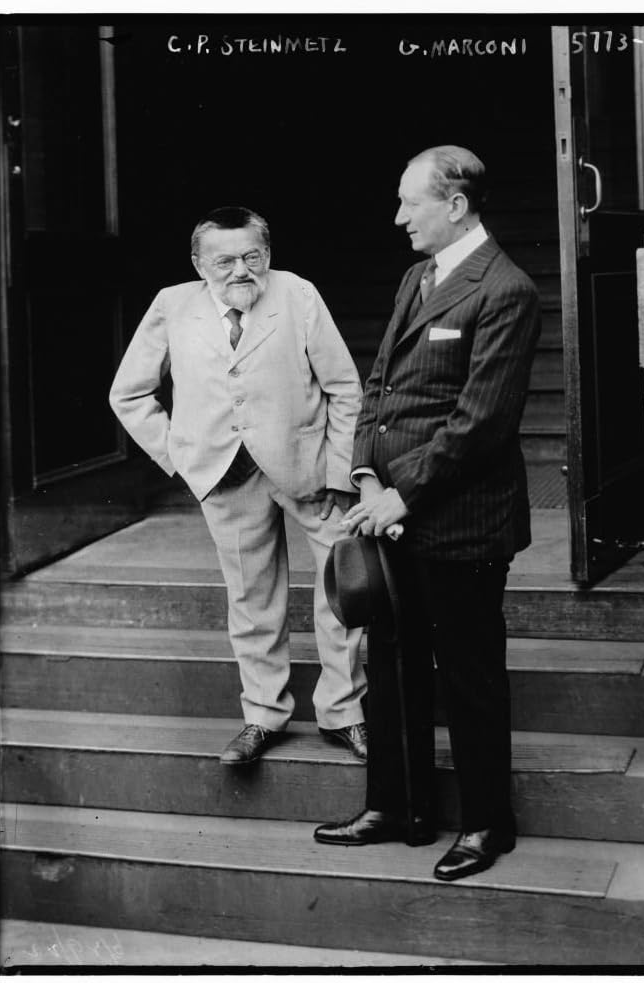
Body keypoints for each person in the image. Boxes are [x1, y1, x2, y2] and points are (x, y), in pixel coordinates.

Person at [313, 146, 541, 880]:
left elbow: (481, 423)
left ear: (455, 205)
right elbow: (378, 384)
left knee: (469, 676)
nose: (398, 218)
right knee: (391, 663)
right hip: (389, 510)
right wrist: (363, 474)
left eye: (410, 203)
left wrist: (399, 492)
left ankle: (486, 824)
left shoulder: (505, 289)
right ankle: (395, 806)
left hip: (460, 519)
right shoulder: (417, 278)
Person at [110, 206, 367, 765]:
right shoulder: (172, 305)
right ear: (198, 264)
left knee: (342, 590)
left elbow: (345, 388)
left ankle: (344, 712)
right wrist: (181, 456)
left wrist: (340, 471)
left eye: (252, 256)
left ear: (267, 255)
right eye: (223, 261)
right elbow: (128, 394)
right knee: (251, 599)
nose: (240, 270)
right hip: (224, 475)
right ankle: (264, 715)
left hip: (309, 470)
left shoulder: (298, 294)